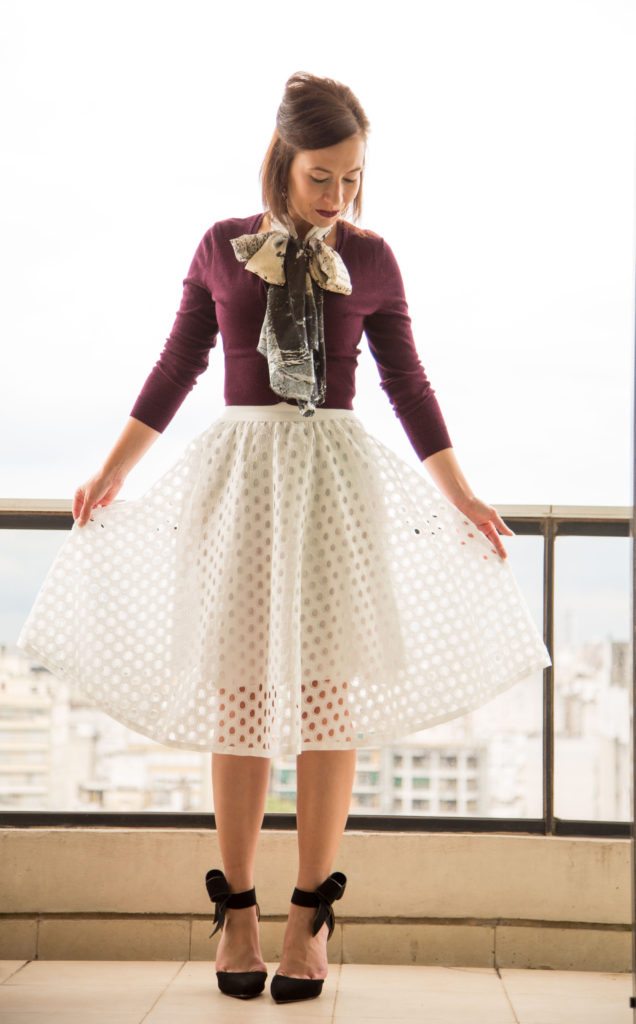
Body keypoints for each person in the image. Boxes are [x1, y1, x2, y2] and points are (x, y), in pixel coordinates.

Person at [17, 71, 552, 1005]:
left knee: (326, 699)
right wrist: (111, 472)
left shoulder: (374, 259)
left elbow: (409, 385)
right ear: (281, 160)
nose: (338, 196)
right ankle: (238, 914)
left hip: (333, 488)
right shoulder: (223, 248)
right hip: (241, 481)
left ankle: (311, 917)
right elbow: (179, 362)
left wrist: (462, 496)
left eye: (351, 179)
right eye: (321, 178)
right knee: (238, 693)